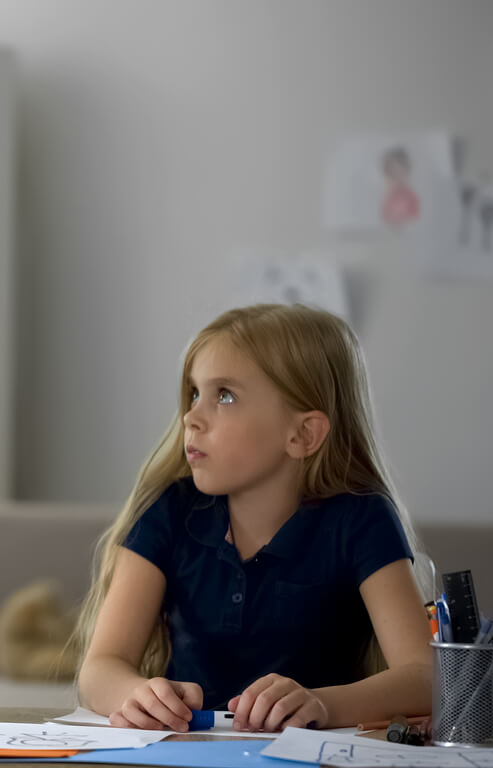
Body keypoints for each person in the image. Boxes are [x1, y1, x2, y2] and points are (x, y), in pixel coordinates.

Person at [73, 304, 433, 732]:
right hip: (183, 754)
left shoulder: (362, 518)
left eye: (224, 395)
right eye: (194, 393)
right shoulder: (168, 511)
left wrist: (321, 703)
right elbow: (99, 670)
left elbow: (425, 677)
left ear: (302, 434)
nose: (190, 417)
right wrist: (136, 695)